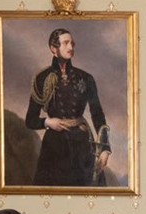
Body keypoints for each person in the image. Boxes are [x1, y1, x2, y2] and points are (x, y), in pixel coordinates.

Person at [24, 28, 112, 187]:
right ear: (53, 48)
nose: (71, 47)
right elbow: (30, 120)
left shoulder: (86, 78)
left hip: (82, 147)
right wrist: (47, 123)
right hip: (53, 149)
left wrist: (105, 148)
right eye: (65, 43)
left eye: (72, 43)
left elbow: (97, 114)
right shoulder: (42, 79)